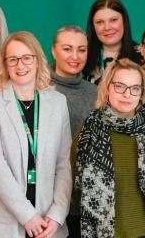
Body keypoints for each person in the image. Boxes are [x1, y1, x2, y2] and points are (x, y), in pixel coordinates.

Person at [0, 32, 72, 238]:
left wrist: (57, 214)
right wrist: (27, 216)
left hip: (49, 224)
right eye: (13, 59)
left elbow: (64, 164)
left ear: (38, 60)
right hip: (4, 224)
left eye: (27, 58)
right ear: (5, 64)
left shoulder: (57, 102)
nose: (20, 66)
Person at [74, 59, 145, 238]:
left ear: (142, 93)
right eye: (120, 86)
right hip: (105, 233)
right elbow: (76, 184)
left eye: (135, 88)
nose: (127, 94)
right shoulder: (89, 131)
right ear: (107, 87)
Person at [48, 25, 96, 236]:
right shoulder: (38, 89)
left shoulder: (96, 93)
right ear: (53, 51)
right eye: (67, 49)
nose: (75, 56)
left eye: (82, 50)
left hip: (84, 202)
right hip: (47, 202)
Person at [82, 0, 143, 84]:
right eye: (100, 22)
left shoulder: (142, 56)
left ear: (124, 21)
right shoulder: (82, 55)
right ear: (93, 26)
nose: (107, 27)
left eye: (113, 20)